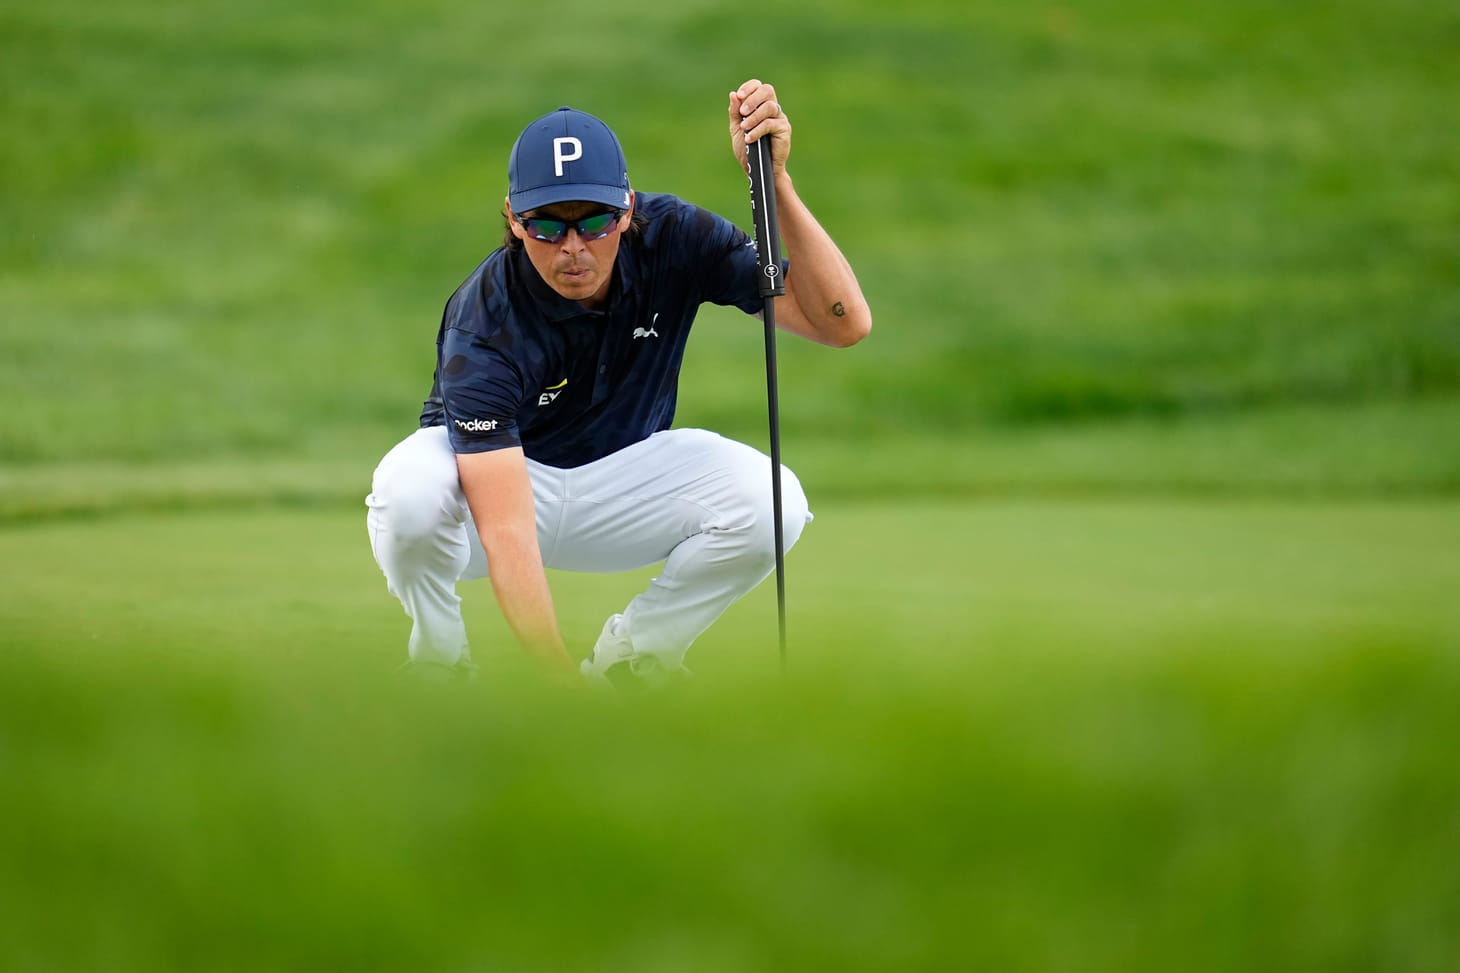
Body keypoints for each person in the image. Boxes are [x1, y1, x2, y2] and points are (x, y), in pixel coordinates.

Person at [365, 79, 871, 686]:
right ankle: (441, 662)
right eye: (547, 225)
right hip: (494, 494)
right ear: (513, 219)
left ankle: (634, 658)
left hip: (626, 478)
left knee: (773, 501)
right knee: (407, 493)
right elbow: (505, 531)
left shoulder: (676, 236)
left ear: (628, 208)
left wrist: (777, 185)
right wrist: (558, 688)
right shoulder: (485, 322)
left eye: (597, 221)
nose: (574, 248)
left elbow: (842, 324)